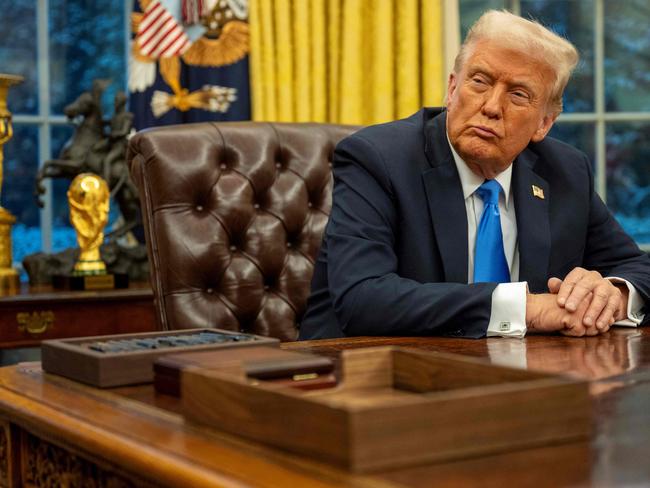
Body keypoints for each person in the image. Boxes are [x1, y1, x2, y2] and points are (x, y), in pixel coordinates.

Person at [299, 10, 650, 340]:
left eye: (518, 94)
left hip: (524, 381)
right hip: (366, 380)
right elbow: (363, 298)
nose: (491, 107)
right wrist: (526, 309)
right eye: (480, 81)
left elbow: (636, 266)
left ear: (544, 123)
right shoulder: (377, 159)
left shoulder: (565, 171)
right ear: (452, 90)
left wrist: (612, 296)